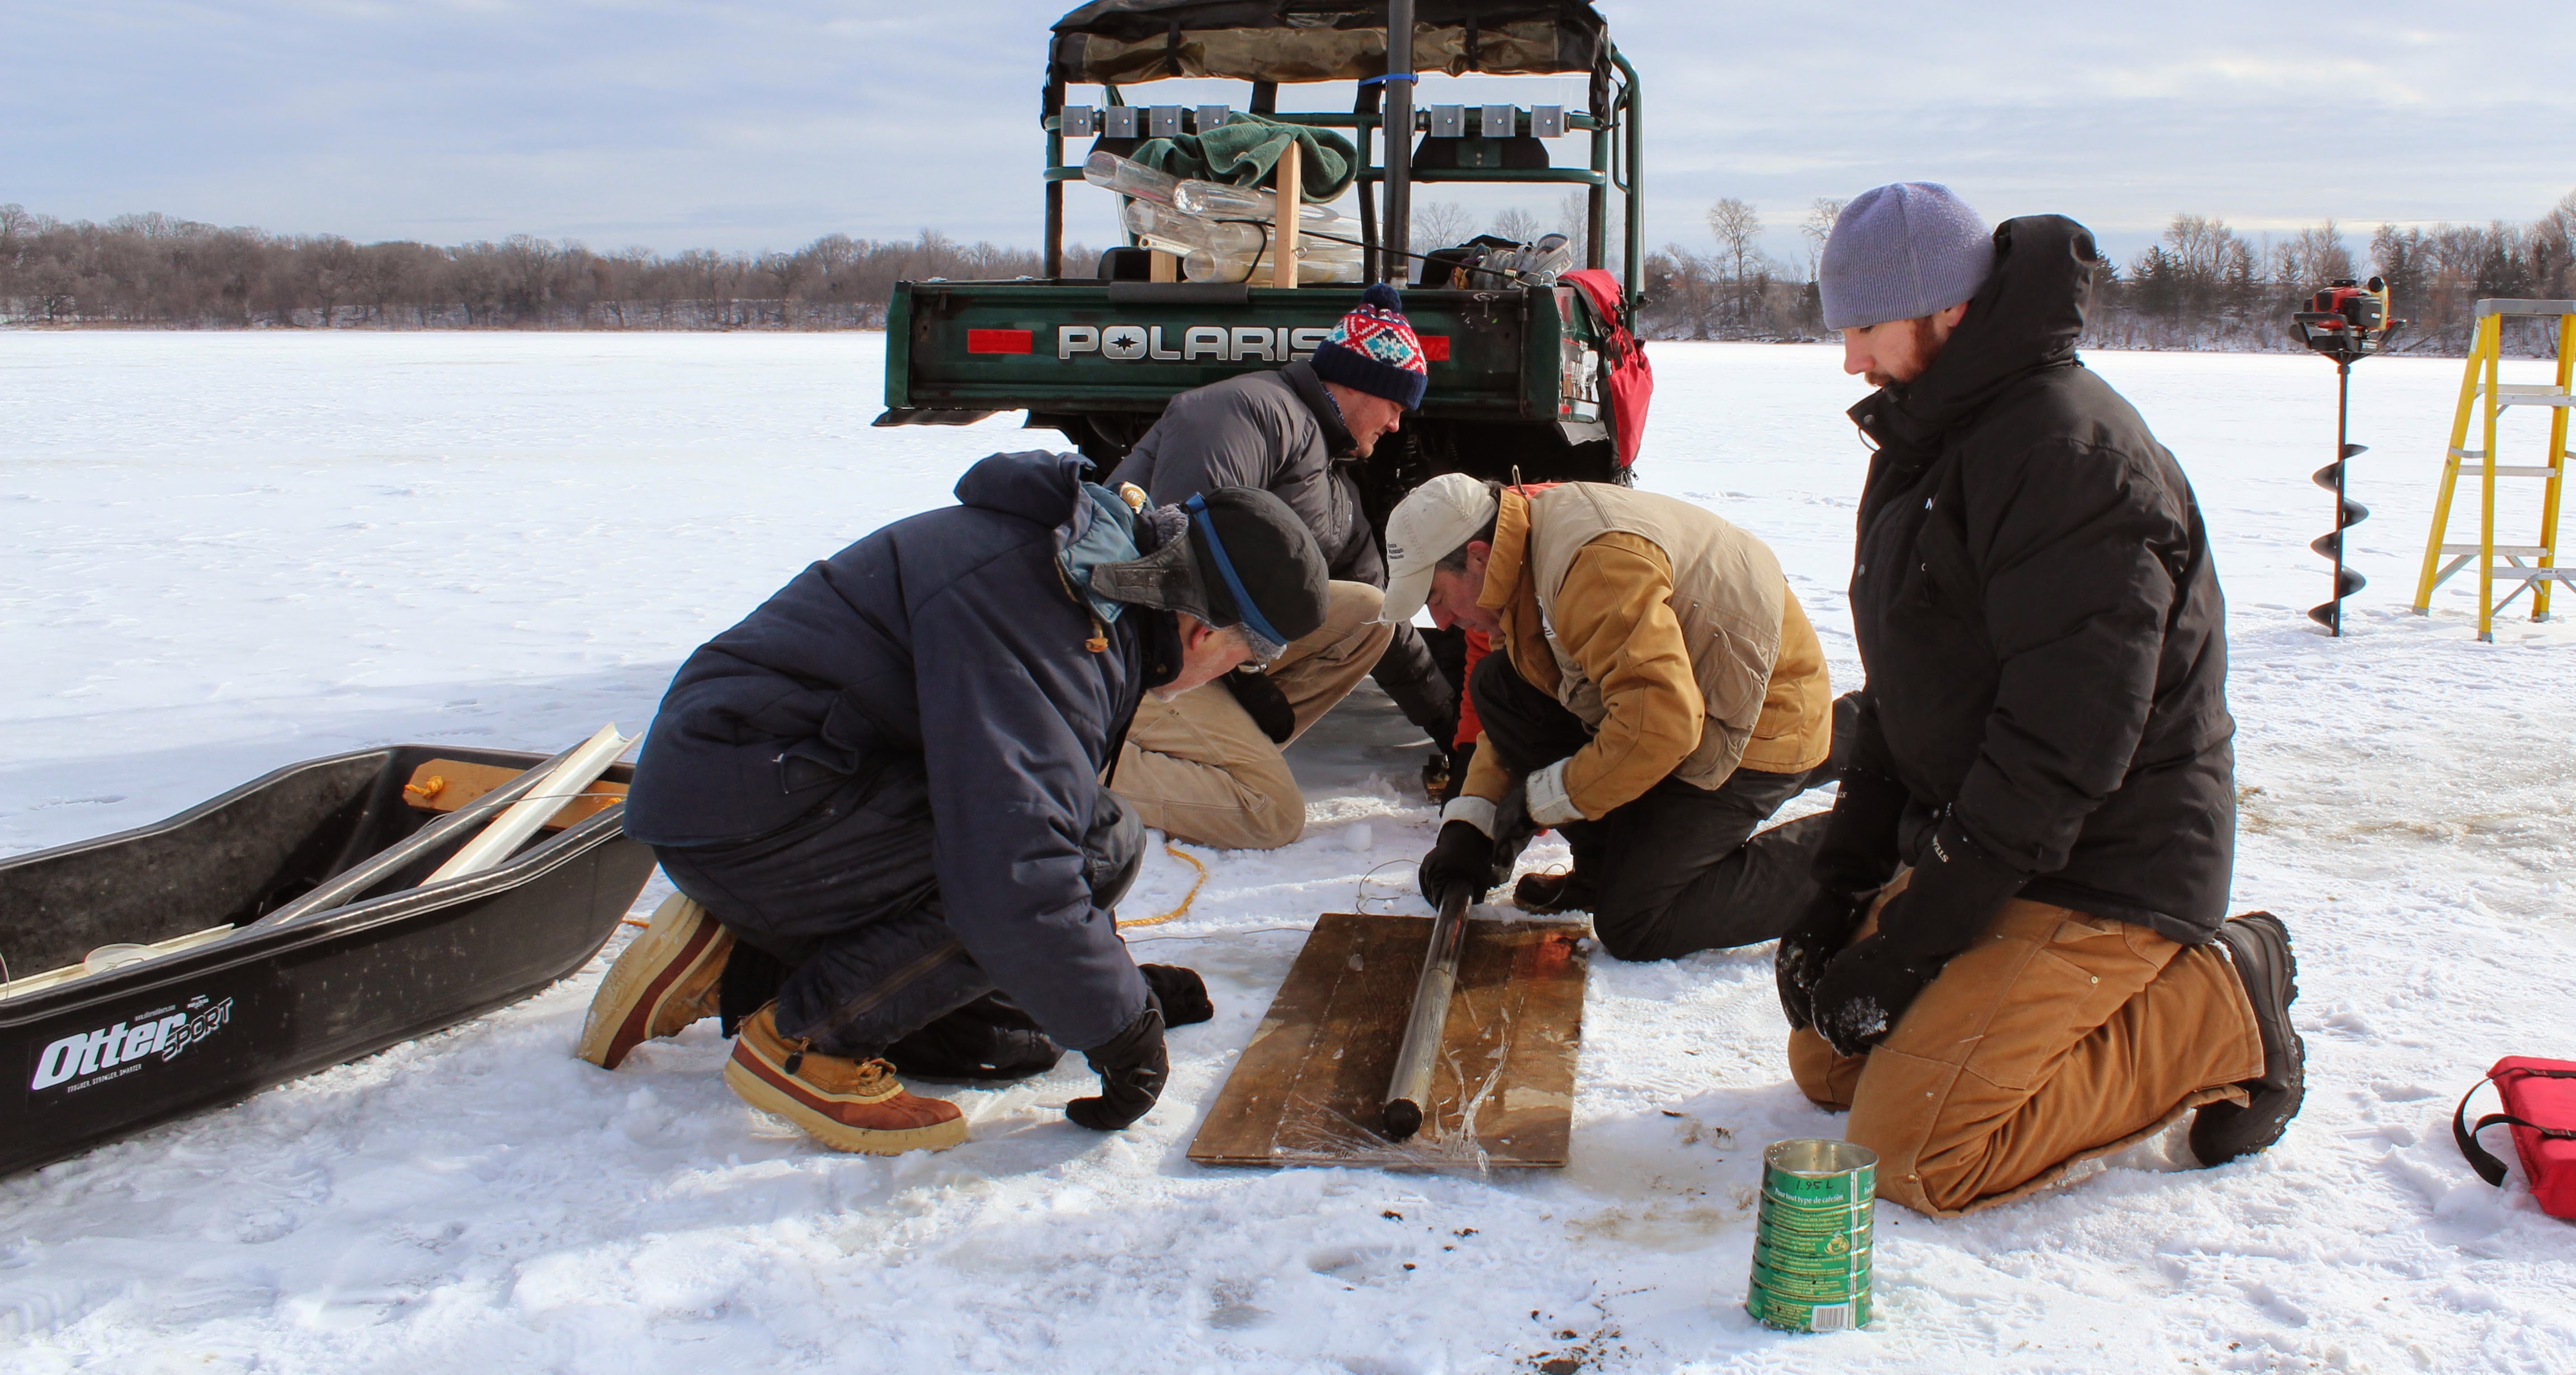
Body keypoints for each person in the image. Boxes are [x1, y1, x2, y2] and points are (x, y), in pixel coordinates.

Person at [1778, 181, 2303, 1218]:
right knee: (1827, 1064)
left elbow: (2061, 750)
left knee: (1915, 1152)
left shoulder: (2067, 457)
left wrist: (1915, 940)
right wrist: (1837, 893)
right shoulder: (1933, 441)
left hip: (2105, 862)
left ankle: (2219, 1001)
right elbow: (1904, 694)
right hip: (2007, 840)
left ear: (1948, 312)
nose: (1850, 360)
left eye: (1866, 328)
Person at [577, 451, 1331, 1154]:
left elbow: (1042, 821)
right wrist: (1122, 1029)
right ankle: (807, 1040)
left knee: (1012, 1038)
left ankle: (750, 956)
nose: (1243, 672)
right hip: (753, 801)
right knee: (1096, 857)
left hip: (778, 785)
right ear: (1204, 630)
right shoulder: (1053, 620)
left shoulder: (1089, 583)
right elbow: (1019, 871)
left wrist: (1112, 989)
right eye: (1252, 655)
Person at [1396, 471, 1834, 960]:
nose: (1438, 622)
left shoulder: (1591, 567)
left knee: (1638, 922)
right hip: (1688, 707)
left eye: (1435, 597)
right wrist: (1471, 823)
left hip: (1755, 725)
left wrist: (1540, 801)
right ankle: (1606, 864)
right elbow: (1531, 693)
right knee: (1501, 686)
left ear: (1477, 557)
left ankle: (1872, 843)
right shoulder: (1521, 559)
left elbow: (1661, 728)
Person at [1105, 284, 1464, 850]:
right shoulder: (1245, 412)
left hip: (1202, 653)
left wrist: (1454, 732)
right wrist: (1250, 682)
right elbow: (1176, 569)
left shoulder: (1330, 477)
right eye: (1396, 405)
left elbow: (1386, 617)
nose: (1397, 425)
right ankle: (1078, 756)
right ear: (1360, 383)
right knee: (1270, 813)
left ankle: (1218, 752)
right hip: (1133, 653)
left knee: (1371, 611)